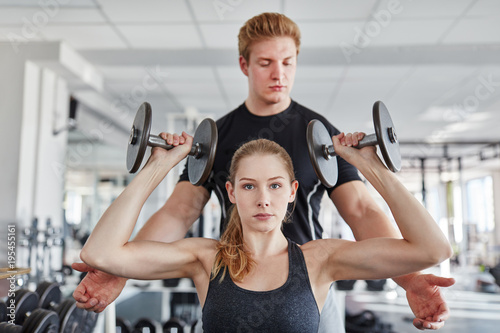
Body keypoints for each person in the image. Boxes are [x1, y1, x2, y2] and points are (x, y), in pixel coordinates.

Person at [73, 12, 455, 331]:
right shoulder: (219, 135)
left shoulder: (318, 132)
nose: (279, 73)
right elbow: (178, 211)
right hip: (234, 276)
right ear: (244, 64)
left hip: (312, 281)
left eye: (288, 62)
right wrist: (119, 270)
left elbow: (362, 211)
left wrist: (409, 277)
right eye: (266, 62)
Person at [78, 135, 453, 333]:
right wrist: (158, 165)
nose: (262, 199)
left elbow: (432, 248)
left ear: (292, 192)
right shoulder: (204, 258)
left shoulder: (320, 260)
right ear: (230, 192)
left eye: (275, 186)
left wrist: (370, 165)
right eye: (248, 186)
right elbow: (102, 253)